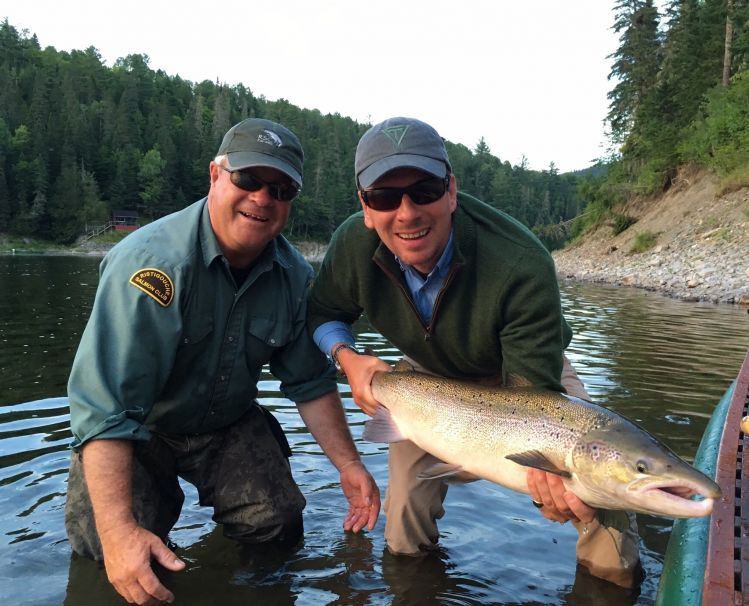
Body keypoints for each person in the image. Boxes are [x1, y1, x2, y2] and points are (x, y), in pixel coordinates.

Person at [307, 117, 641, 588]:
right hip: (427, 380)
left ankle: (611, 586)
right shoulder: (352, 246)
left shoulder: (521, 262)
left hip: (524, 377)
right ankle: (412, 589)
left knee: (598, 486)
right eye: (385, 197)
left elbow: (535, 398)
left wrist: (548, 475)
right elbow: (322, 314)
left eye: (424, 190)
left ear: (451, 192)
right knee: (403, 525)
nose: (406, 213)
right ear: (365, 207)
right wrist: (347, 357)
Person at [65, 117, 381, 606]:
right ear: (215, 175)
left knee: (278, 524)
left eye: (280, 189)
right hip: (139, 429)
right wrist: (120, 531)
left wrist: (350, 465)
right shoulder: (151, 266)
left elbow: (310, 382)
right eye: (248, 180)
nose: (262, 198)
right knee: (102, 544)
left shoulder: (294, 276)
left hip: (225, 423)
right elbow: (104, 409)